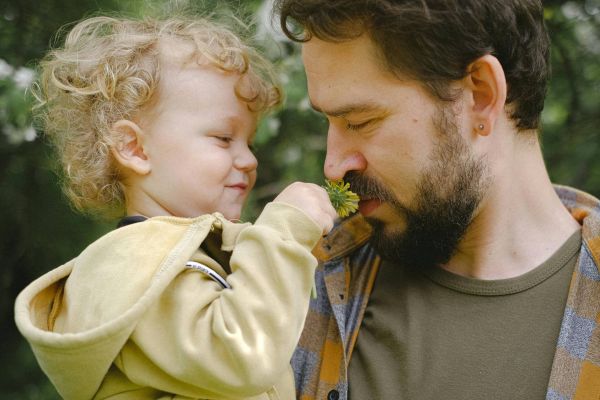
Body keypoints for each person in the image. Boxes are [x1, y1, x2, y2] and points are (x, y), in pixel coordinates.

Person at [272, 1, 600, 399]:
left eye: (359, 121)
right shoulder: (296, 283)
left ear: (480, 95)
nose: (333, 165)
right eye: (329, 121)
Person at [14, 15, 337, 400]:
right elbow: (238, 359)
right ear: (134, 149)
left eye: (248, 142)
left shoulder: (184, 258)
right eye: (223, 138)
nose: (249, 160)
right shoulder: (129, 270)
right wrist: (283, 233)